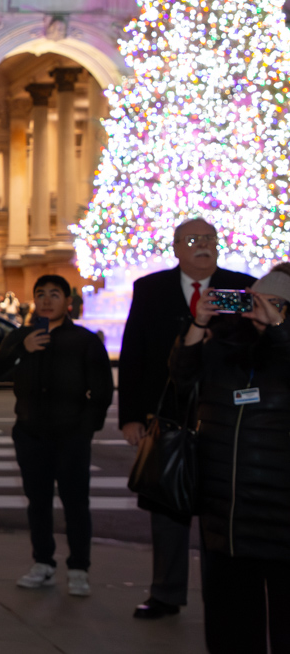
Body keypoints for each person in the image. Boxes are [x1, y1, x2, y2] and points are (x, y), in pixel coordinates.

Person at [119, 217, 254, 619]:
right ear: (176, 247)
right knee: (167, 507)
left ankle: (222, 596)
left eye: (209, 239)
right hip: (168, 417)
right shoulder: (150, 290)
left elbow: (257, 349)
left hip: (224, 419)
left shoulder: (242, 287)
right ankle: (166, 593)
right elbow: (134, 355)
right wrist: (131, 417)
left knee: (220, 514)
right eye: (193, 240)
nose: (202, 246)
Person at [172, 266, 290, 653]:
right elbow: (181, 378)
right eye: (255, 299)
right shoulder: (223, 345)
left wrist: (278, 330)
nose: (259, 309)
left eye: (272, 303)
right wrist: (198, 322)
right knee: (232, 627)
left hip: (280, 513)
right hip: (227, 514)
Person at [0, 274, 113, 597]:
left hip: (71, 435)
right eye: (40, 294)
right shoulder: (20, 337)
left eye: (54, 294)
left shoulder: (85, 341)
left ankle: (78, 567)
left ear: (67, 302)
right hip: (31, 433)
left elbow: (101, 392)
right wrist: (22, 351)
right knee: (38, 501)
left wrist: (86, 429)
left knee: (75, 503)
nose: (46, 300)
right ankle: (43, 562)